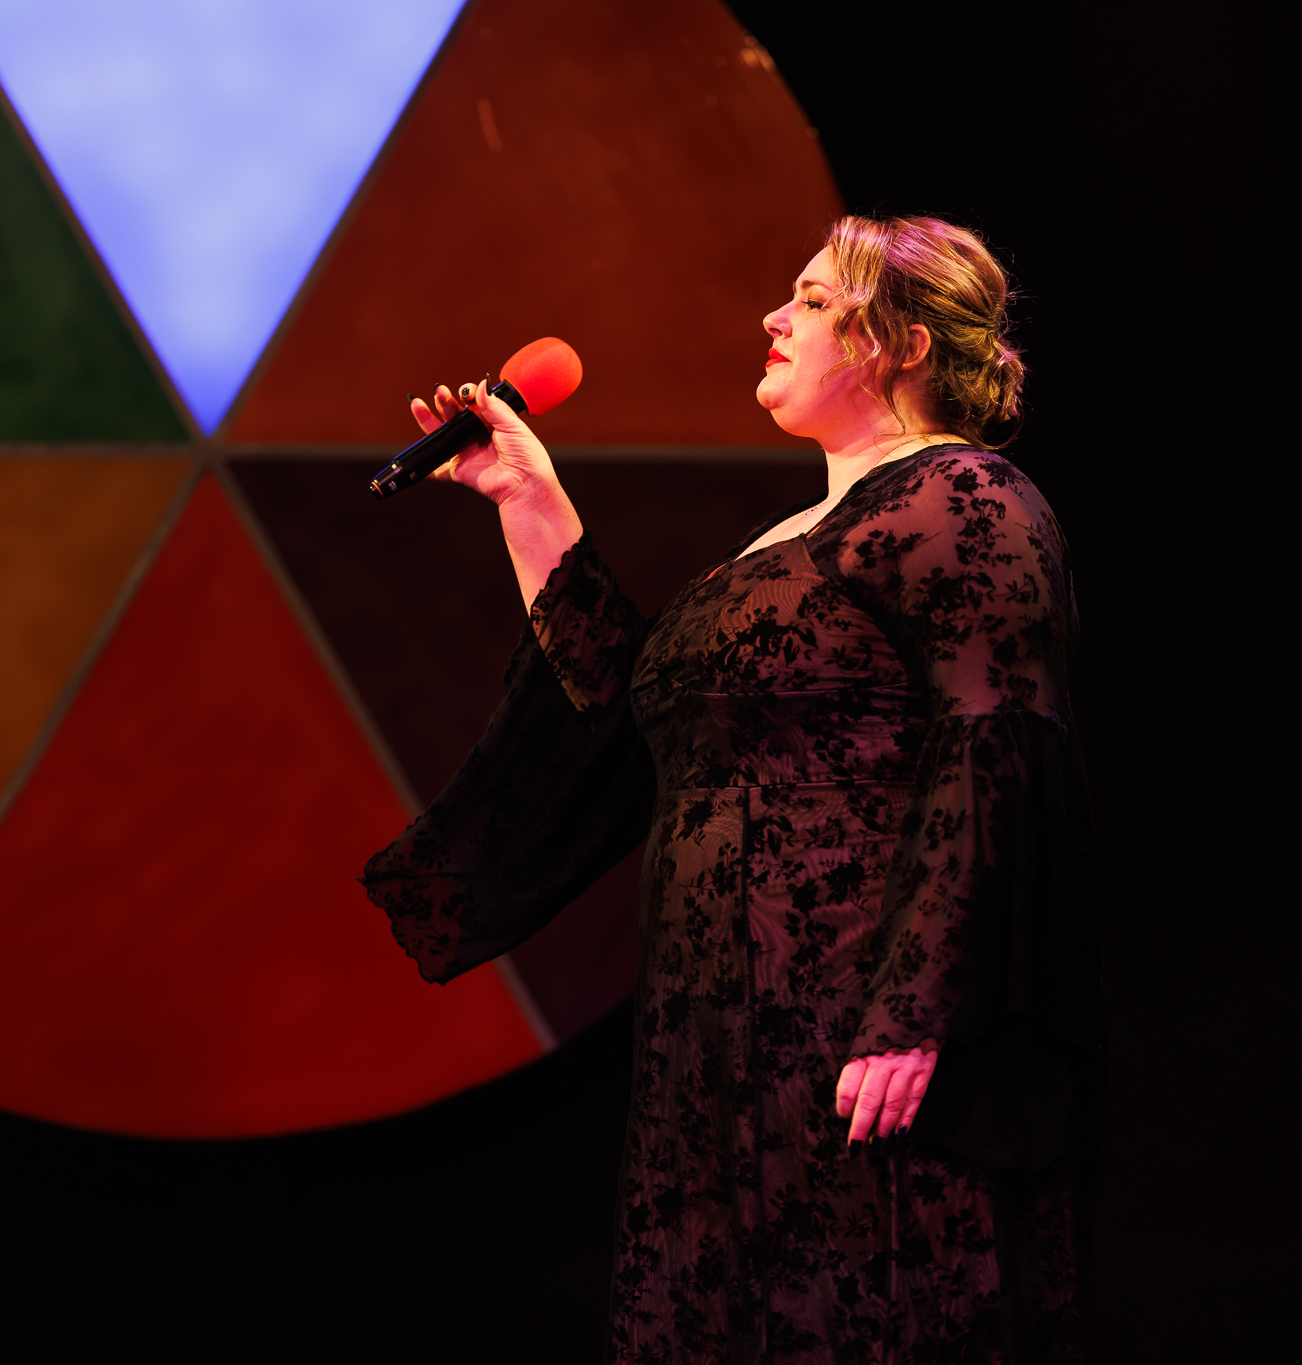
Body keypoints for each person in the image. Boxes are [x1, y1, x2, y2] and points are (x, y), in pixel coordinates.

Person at [362, 214, 1103, 1363]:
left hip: (857, 1039)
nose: (773, 316)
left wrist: (915, 1011)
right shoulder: (791, 535)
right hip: (716, 1051)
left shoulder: (962, 500)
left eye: (812, 299)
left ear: (903, 343)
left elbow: (993, 745)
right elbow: (629, 724)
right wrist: (527, 499)